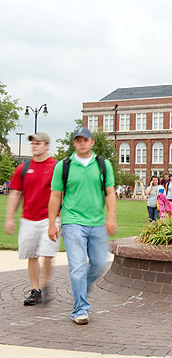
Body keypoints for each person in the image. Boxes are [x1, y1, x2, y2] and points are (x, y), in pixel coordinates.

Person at [47, 127, 117, 325]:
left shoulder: (103, 164)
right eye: (78, 140)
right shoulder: (63, 166)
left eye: (85, 139)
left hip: (97, 223)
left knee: (99, 264)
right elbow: (55, 195)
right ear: (74, 144)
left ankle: (81, 288)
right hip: (72, 222)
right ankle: (80, 309)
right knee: (77, 268)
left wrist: (111, 217)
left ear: (92, 142)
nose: (82, 143)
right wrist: (52, 223)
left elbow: (110, 193)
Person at [3, 132, 59, 305]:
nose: (34, 146)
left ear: (47, 146)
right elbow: (15, 193)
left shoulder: (56, 167)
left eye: (38, 143)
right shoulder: (23, 169)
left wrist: (61, 219)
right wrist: (9, 217)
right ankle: (36, 290)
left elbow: (62, 194)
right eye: (33, 143)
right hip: (29, 218)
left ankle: (45, 283)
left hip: (50, 218)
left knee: (47, 253)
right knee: (31, 255)